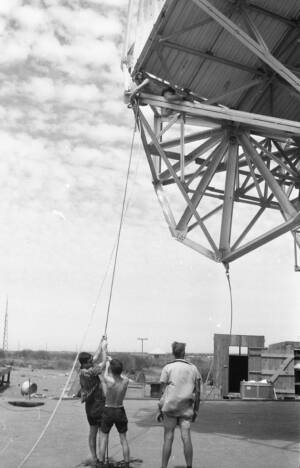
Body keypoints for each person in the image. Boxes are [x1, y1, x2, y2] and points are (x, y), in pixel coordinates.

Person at [157, 341, 201, 468]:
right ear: (184, 353)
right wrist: (196, 410)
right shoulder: (193, 368)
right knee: (186, 437)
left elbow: (162, 392)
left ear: (173, 353)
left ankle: (163, 466)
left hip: (170, 408)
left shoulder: (167, 368)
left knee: (168, 437)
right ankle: (189, 466)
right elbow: (198, 392)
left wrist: (160, 409)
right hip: (186, 409)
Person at [78, 336, 107, 467]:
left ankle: (95, 458)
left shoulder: (82, 370)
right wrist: (105, 349)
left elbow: (95, 357)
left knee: (92, 432)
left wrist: (101, 343)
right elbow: (104, 362)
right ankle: (100, 460)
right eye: (89, 360)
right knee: (101, 432)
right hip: (98, 404)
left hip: (89, 406)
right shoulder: (91, 371)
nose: (92, 361)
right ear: (85, 363)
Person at [98, 358, 130, 468]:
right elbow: (121, 375)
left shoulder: (109, 380)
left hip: (109, 410)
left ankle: (101, 463)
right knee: (123, 439)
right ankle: (126, 463)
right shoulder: (125, 381)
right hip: (119, 409)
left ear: (112, 370)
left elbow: (104, 374)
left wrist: (107, 365)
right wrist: (111, 361)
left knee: (103, 438)